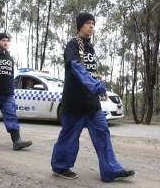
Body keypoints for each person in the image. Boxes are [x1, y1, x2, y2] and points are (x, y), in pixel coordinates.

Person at [51, 12, 135, 182]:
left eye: (93, 23)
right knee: (69, 137)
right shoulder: (72, 45)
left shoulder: (90, 48)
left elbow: (92, 72)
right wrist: (96, 86)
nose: (91, 26)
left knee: (103, 134)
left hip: (92, 104)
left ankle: (110, 170)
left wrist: (99, 86)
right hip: (75, 103)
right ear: (80, 25)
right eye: (88, 23)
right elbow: (76, 68)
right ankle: (60, 166)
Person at [0, 33, 32, 150]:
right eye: (3, 40)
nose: (6, 42)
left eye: (7, 41)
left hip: (7, 94)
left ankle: (17, 141)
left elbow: (11, 75)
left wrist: (11, 89)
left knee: (11, 116)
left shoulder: (9, 57)